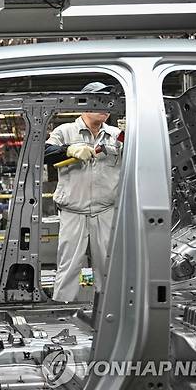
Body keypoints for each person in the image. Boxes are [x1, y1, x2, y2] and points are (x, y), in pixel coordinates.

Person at [44, 82, 123, 302]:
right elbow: (43, 152)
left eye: (109, 103)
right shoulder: (65, 131)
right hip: (73, 212)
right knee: (69, 268)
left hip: (106, 212)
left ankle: (109, 313)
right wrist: (68, 149)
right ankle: (60, 313)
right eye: (100, 101)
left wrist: (135, 132)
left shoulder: (117, 136)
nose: (106, 107)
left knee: (109, 268)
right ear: (85, 104)